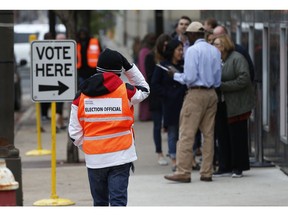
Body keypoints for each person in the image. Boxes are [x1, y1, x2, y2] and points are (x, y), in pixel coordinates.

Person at [68, 48, 150, 206]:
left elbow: (74, 133)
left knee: (100, 203)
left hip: (95, 159)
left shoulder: (80, 96)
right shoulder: (126, 92)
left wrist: (90, 146)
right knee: (118, 202)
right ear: (118, 71)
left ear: (98, 68)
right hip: (121, 155)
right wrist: (130, 67)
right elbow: (145, 89)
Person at [164, 21, 222, 183]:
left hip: (196, 94)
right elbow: (218, 79)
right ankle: (206, 172)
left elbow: (189, 77)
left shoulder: (192, 51)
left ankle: (183, 171)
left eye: (188, 34)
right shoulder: (214, 51)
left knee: (186, 133)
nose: (186, 37)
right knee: (208, 135)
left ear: (193, 34)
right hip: (212, 93)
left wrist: (174, 75)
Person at [212, 34, 255, 178]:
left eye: (216, 44)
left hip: (237, 105)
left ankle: (238, 167)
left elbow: (244, 79)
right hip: (222, 104)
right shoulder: (218, 60)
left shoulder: (237, 58)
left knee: (237, 137)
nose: (214, 47)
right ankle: (225, 166)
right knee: (223, 135)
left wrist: (223, 86)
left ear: (223, 46)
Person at [151, 39, 187, 171]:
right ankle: (174, 159)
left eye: (182, 50)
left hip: (184, 102)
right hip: (170, 104)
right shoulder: (162, 66)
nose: (181, 53)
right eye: (178, 50)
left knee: (185, 132)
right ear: (172, 51)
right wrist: (167, 94)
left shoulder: (185, 65)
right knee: (172, 132)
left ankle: (187, 158)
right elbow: (154, 85)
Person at [145, 33, 172, 166]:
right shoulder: (151, 57)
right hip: (156, 96)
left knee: (171, 125)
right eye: (164, 45)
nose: (166, 48)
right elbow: (150, 78)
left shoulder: (171, 57)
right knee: (157, 125)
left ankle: (172, 152)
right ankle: (159, 152)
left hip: (169, 96)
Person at [137, 33, 157, 121]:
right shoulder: (145, 51)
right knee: (145, 98)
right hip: (144, 78)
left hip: (144, 77)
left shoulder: (144, 50)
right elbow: (143, 66)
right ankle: (145, 116)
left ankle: (145, 115)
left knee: (145, 98)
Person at [55, 33, 68, 132]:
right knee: (58, 104)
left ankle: (61, 123)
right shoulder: (54, 50)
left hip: (64, 82)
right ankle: (57, 123)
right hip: (56, 82)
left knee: (60, 103)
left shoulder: (68, 50)